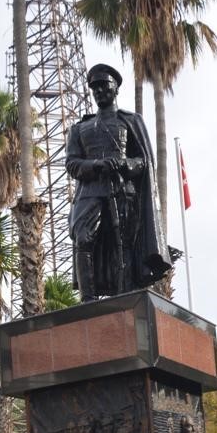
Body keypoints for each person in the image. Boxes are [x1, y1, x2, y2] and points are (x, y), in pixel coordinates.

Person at [66, 63, 171, 301]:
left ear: (115, 88)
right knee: (83, 239)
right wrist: (96, 166)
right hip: (89, 193)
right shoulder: (79, 128)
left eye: (104, 86)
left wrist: (125, 165)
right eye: (95, 88)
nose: (99, 91)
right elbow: (72, 164)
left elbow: (144, 161)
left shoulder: (130, 121)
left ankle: (124, 297)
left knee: (122, 246)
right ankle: (88, 300)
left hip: (123, 192)